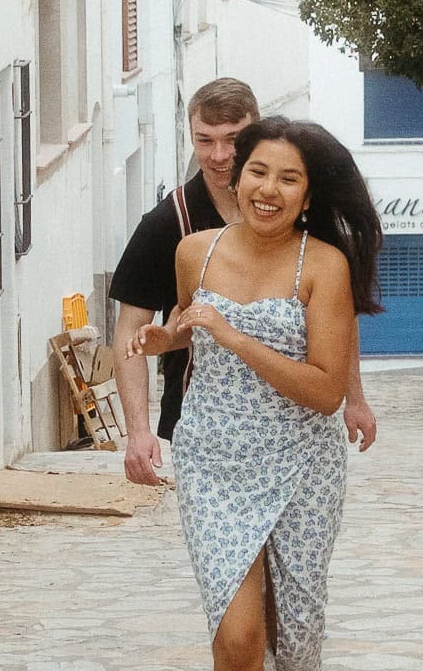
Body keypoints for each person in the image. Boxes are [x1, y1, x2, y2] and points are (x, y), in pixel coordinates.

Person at [127, 118, 382, 671]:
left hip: (301, 462)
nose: (268, 190)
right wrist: (168, 338)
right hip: (214, 459)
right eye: (258, 173)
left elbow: (324, 391)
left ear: (307, 196)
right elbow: (193, 324)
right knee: (237, 634)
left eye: (288, 179)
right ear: (236, 178)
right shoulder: (194, 251)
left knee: (293, 628)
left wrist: (236, 336)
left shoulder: (322, 265)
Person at [111, 78, 377, 486]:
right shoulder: (169, 224)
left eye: (232, 140)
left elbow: (338, 322)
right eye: (204, 141)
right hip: (205, 427)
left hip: (298, 430)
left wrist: (354, 397)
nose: (219, 156)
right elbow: (136, 330)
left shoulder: (308, 225)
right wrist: (138, 431)